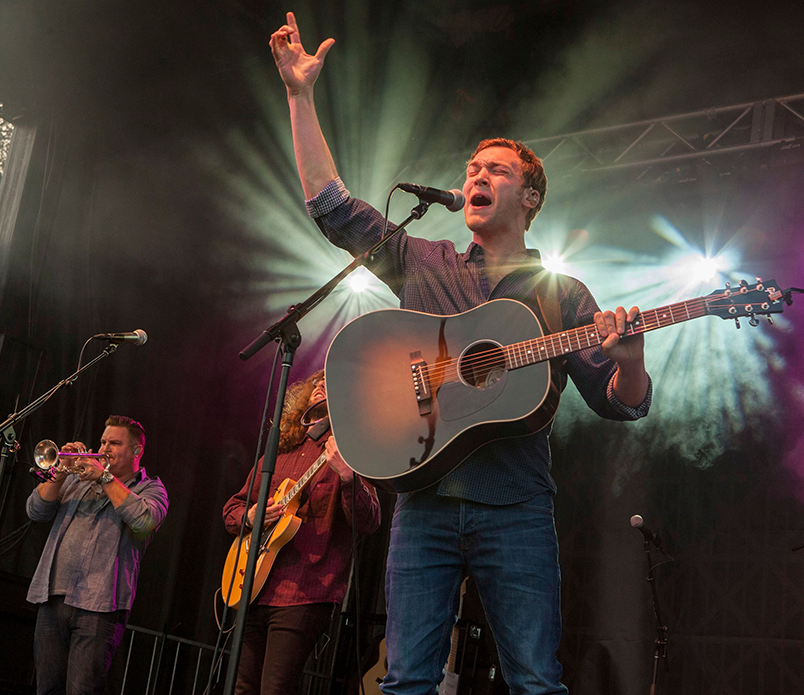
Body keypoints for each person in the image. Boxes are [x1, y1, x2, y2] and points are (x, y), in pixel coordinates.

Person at [269, 13, 652, 694]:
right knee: (406, 680)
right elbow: (331, 206)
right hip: (423, 498)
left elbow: (622, 405)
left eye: (496, 169)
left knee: (535, 680)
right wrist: (300, 97)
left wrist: (630, 359)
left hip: (518, 507)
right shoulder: (426, 259)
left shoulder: (562, 292)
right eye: (472, 167)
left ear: (528, 197)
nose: (476, 174)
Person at [222, 371, 382, 694]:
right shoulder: (278, 452)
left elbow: (370, 521)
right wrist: (251, 516)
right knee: (240, 687)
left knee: (276, 689)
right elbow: (232, 510)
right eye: (317, 383)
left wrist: (350, 479)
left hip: (306, 592)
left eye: (330, 382)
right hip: (252, 585)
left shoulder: (349, 451)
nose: (321, 385)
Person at [26, 415, 169, 695]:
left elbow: (144, 521)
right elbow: (36, 510)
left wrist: (104, 478)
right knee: (46, 689)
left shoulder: (152, 489)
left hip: (101, 605)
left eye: (114, 443)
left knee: (83, 690)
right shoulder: (77, 481)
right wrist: (61, 472)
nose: (104, 448)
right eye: (103, 441)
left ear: (136, 451)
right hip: (53, 594)